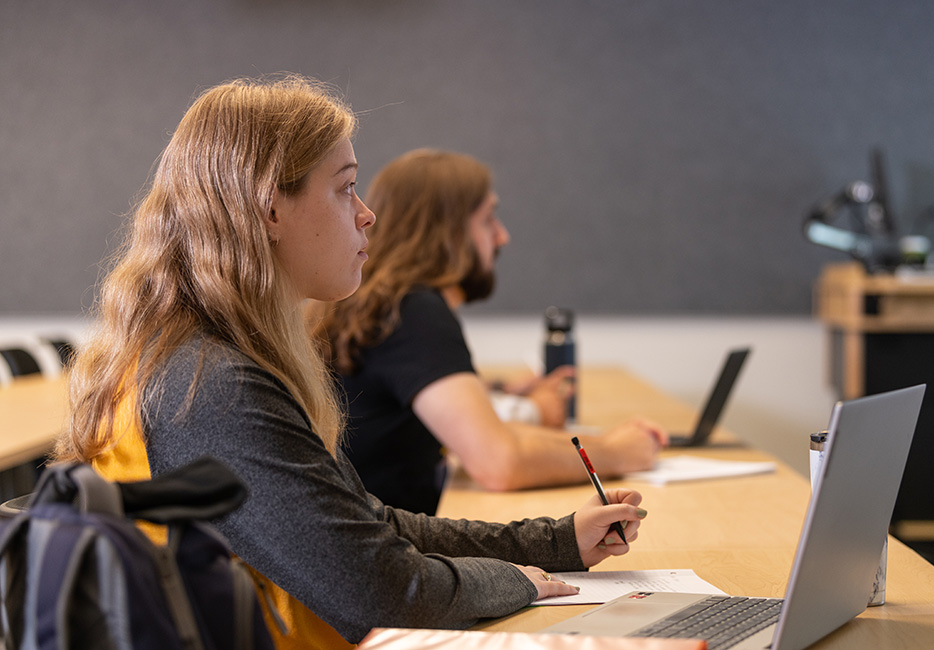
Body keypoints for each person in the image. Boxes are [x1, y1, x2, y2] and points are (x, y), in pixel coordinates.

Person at [52, 76, 647, 648]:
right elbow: (381, 593)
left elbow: (369, 526)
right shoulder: (209, 386)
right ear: (270, 210)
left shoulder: (214, 360)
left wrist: (555, 541)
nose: (367, 215)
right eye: (344, 188)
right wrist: (519, 582)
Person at [312, 149, 667, 516]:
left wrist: (604, 444)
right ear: (445, 232)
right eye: (487, 220)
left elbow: (493, 435)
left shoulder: (375, 305)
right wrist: (619, 453)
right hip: (388, 552)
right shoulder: (413, 311)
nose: (502, 237)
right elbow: (499, 462)